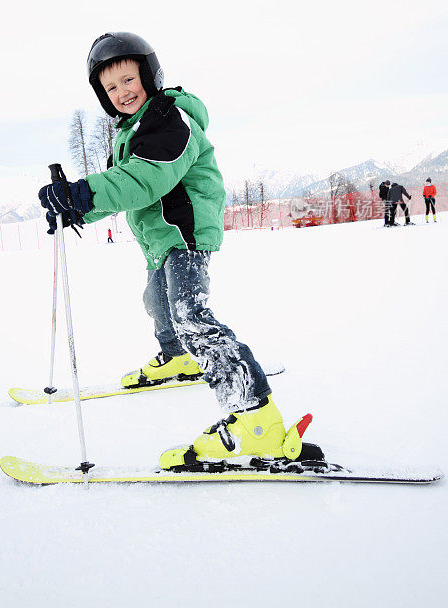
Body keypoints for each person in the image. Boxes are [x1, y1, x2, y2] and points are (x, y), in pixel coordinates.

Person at [38, 31, 308, 470]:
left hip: (183, 234)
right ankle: (176, 357)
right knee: (157, 302)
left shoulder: (170, 119)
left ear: (149, 74)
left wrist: (83, 192)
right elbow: (125, 188)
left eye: (128, 79)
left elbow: (149, 177)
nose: (122, 92)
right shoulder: (133, 129)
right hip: (159, 238)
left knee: (191, 316)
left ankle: (258, 420)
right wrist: (75, 209)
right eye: (110, 88)